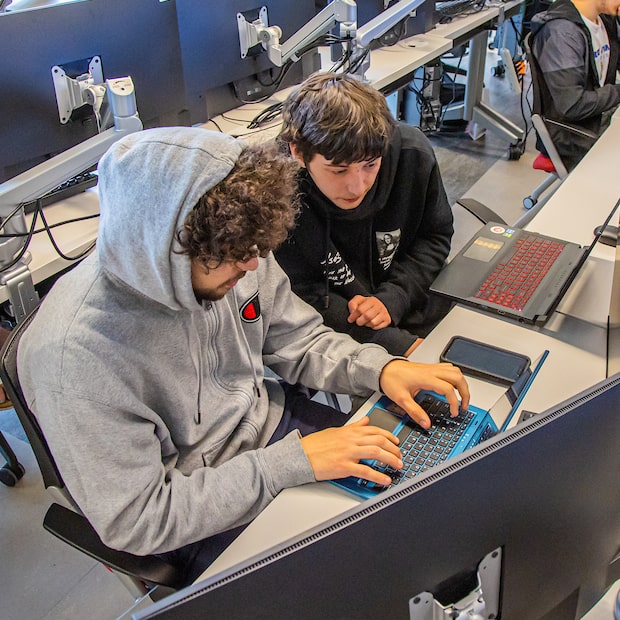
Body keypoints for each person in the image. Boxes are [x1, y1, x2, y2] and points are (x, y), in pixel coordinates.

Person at [17, 127, 469, 585]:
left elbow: (300, 340)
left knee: (431, 508)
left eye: (256, 251)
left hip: (276, 430)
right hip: (202, 505)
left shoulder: (233, 249)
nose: (252, 266)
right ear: (165, 248)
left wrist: (380, 368)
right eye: (236, 257)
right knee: (371, 579)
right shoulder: (74, 359)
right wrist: (290, 464)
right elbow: (139, 518)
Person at [274, 73, 454, 357]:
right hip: (343, 331)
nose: (357, 186)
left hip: (414, 299)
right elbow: (298, 293)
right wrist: (392, 345)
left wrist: (394, 298)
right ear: (298, 153)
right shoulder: (277, 192)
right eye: (338, 170)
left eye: (370, 165)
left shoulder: (412, 154)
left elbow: (434, 237)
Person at [529, 0, 620, 170]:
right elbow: (572, 105)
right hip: (574, 135)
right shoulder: (562, 33)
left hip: (599, 116)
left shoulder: (604, 20)